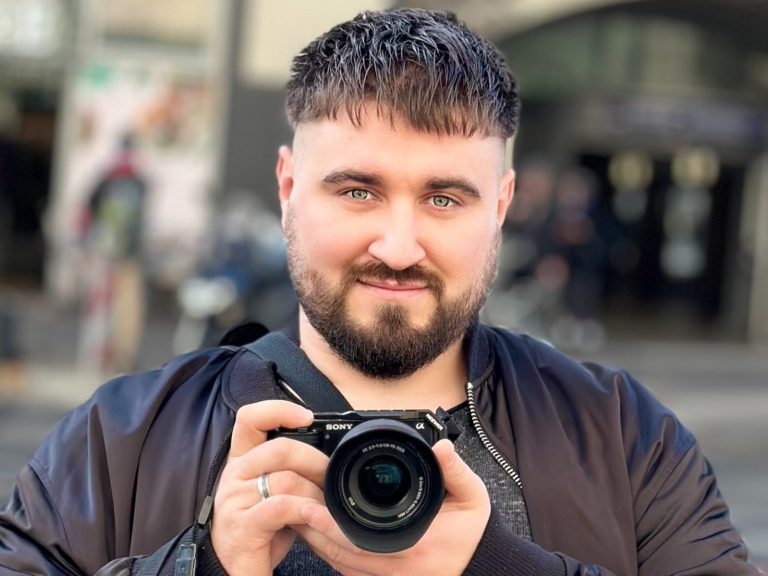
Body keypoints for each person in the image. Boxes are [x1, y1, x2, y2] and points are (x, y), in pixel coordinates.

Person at [0, 8, 761, 576]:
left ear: (500, 207)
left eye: (444, 199)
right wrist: (200, 565)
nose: (398, 248)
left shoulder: (624, 438)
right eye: (358, 191)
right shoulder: (121, 439)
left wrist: (497, 565)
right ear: (288, 188)